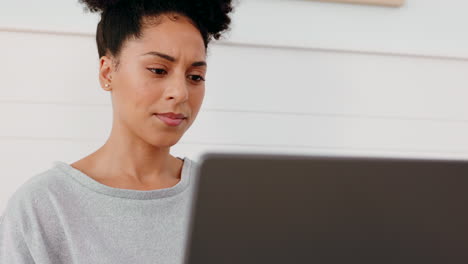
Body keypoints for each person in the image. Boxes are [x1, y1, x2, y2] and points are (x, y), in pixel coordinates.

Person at [0, 0, 233, 263]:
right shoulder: (43, 206)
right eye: (158, 70)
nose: (180, 93)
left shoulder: (223, 199)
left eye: (195, 77)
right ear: (108, 72)